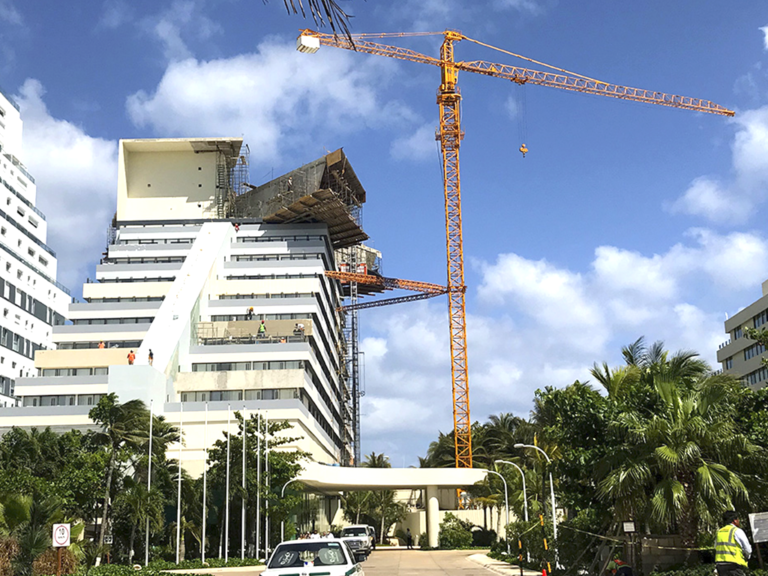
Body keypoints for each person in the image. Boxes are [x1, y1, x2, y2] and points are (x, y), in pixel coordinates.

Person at [716, 511, 752, 576]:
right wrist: (747, 557)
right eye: (738, 519)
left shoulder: (719, 532)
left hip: (720, 566)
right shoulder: (737, 531)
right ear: (734, 521)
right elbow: (747, 549)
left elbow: (716, 547)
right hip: (734, 565)